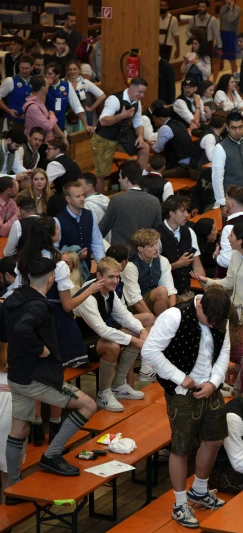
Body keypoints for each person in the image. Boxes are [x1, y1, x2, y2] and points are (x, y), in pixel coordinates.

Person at [1, 257, 97, 489]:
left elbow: (5, 332)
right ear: (52, 279)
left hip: (17, 375)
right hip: (37, 377)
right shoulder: (39, 305)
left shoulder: (13, 297)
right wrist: (39, 348)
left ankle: (13, 486)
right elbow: (23, 329)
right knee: (88, 405)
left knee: (20, 429)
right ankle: (51, 455)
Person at [140, 284, 231, 527]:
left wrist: (213, 383)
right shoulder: (174, 316)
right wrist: (180, 377)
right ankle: (180, 504)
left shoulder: (220, 316)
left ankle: (199, 490)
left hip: (210, 388)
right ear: (199, 307)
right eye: (210, 321)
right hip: (181, 392)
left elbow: (224, 351)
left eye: (218, 323)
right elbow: (149, 351)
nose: (214, 326)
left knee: (215, 439)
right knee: (181, 448)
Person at [74, 257, 150, 412]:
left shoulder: (109, 291)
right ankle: (103, 394)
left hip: (96, 339)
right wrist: (134, 341)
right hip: (77, 346)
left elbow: (125, 316)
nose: (115, 281)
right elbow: (102, 330)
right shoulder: (88, 296)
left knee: (136, 332)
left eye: (117, 277)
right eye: (111, 277)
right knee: (112, 346)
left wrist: (141, 330)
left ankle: (118, 385)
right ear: (99, 276)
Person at [92, 77, 150, 191]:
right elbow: (103, 121)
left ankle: (137, 184)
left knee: (144, 148)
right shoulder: (114, 99)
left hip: (122, 136)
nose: (142, 95)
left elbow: (138, 123)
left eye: (143, 92)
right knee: (101, 173)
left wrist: (140, 136)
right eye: (140, 92)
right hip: (104, 138)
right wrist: (122, 116)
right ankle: (100, 199)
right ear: (131, 88)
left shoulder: (137, 102)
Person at [99, 162, 162, 248]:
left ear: (126, 179)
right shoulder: (155, 201)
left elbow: (101, 230)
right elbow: (157, 233)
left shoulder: (116, 200)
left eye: (120, 177)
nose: (119, 180)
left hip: (121, 254)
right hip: (145, 253)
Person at [55, 181, 105, 276]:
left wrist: (102, 266)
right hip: (67, 272)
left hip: (87, 267)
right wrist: (75, 257)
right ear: (68, 199)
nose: (82, 199)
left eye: (83, 195)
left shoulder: (89, 215)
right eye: (78, 196)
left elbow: (97, 242)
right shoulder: (58, 220)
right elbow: (55, 249)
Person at [215, 185, 243, 277]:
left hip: (232, 278)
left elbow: (227, 261)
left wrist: (217, 256)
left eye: (226, 199)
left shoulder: (230, 227)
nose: (225, 202)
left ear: (232, 204)